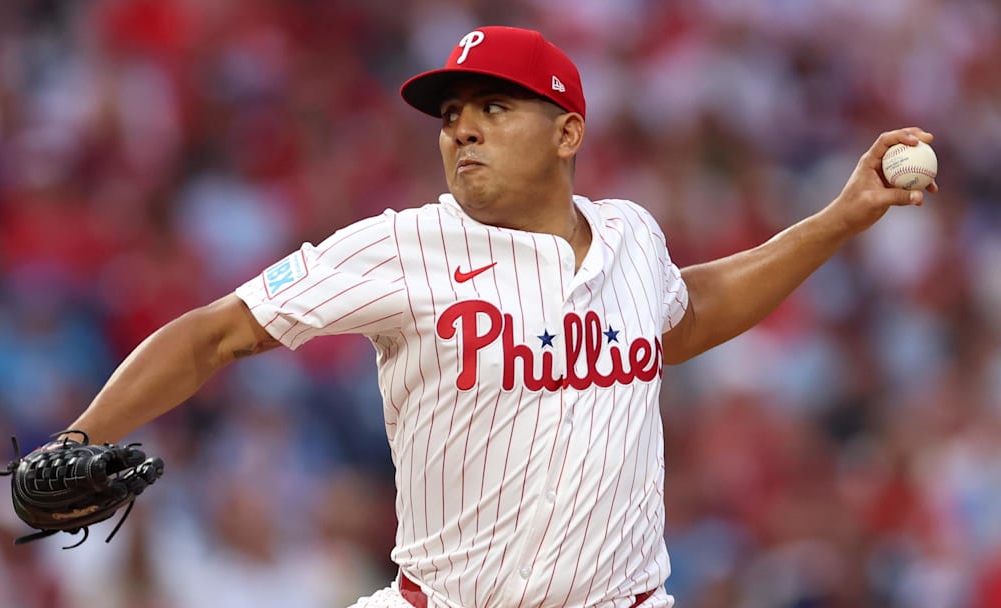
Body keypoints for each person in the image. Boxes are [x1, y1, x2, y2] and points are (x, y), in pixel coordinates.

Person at [59, 26, 937, 607]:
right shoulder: (401, 247)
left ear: (567, 132)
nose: (462, 130)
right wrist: (80, 437)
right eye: (451, 115)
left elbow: (689, 310)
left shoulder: (631, 235)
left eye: (494, 106)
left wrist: (840, 218)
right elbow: (219, 329)